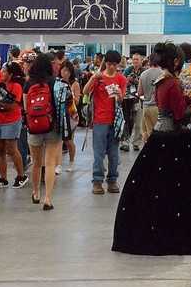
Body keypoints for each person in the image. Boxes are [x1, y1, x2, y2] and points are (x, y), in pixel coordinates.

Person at [112, 42, 191, 255]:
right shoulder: (173, 82)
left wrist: (185, 100)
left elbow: (168, 109)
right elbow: (181, 116)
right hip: (178, 140)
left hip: (160, 137)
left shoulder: (161, 81)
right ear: (177, 61)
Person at [24, 53, 71, 210]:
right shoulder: (55, 83)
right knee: (50, 163)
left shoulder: (28, 84)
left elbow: (25, 108)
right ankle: (48, 198)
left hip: (33, 128)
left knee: (36, 163)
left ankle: (36, 192)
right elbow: (61, 105)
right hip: (52, 127)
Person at [83, 50, 127, 195]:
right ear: (105, 63)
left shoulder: (121, 79)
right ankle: (97, 181)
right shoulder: (99, 77)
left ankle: (112, 180)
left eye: (114, 64)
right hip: (99, 120)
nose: (112, 67)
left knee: (114, 154)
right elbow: (85, 91)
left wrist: (120, 95)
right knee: (98, 153)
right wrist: (93, 78)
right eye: (109, 64)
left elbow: (122, 99)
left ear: (118, 64)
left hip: (115, 122)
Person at [0, 62, 27, 188]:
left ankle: (21, 175)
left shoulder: (16, 86)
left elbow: (14, 105)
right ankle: (3, 178)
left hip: (11, 121)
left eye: (5, 71)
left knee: (12, 149)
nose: (2, 73)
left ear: (11, 74)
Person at [58, 61, 81, 172]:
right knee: (58, 140)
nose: (65, 73)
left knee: (69, 140)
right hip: (60, 113)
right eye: (63, 70)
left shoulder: (74, 84)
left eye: (67, 70)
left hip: (71, 115)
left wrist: (70, 96)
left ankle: (71, 162)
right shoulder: (57, 83)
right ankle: (58, 164)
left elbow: (77, 101)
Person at [139, 51, 165, 145]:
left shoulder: (143, 74)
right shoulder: (163, 74)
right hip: (158, 108)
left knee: (147, 134)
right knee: (158, 136)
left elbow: (139, 92)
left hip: (146, 107)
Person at [121, 53, 144, 152]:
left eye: (137, 60)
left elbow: (144, 84)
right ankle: (125, 142)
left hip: (139, 99)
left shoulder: (144, 71)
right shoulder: (128, 70)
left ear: (141, 61)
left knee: (138, 123)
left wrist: (136, 81)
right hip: (127, 100)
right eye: (134, 59)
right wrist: (127, 80)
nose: (135, 61)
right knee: (127, 122)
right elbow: (122, 82)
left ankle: (136, 143)